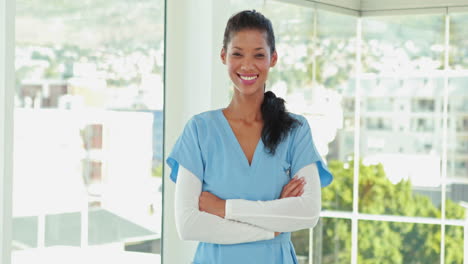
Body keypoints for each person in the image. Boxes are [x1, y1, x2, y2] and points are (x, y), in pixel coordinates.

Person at [166, 10, 333, 264]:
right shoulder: (199, 131)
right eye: (237, 54)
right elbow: (189, 225)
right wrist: (273, 227)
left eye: (258, 55)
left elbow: (307, 213)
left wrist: (224, 208)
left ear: (273, 58)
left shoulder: (296, 130)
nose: (247, 65)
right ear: (223, 56)